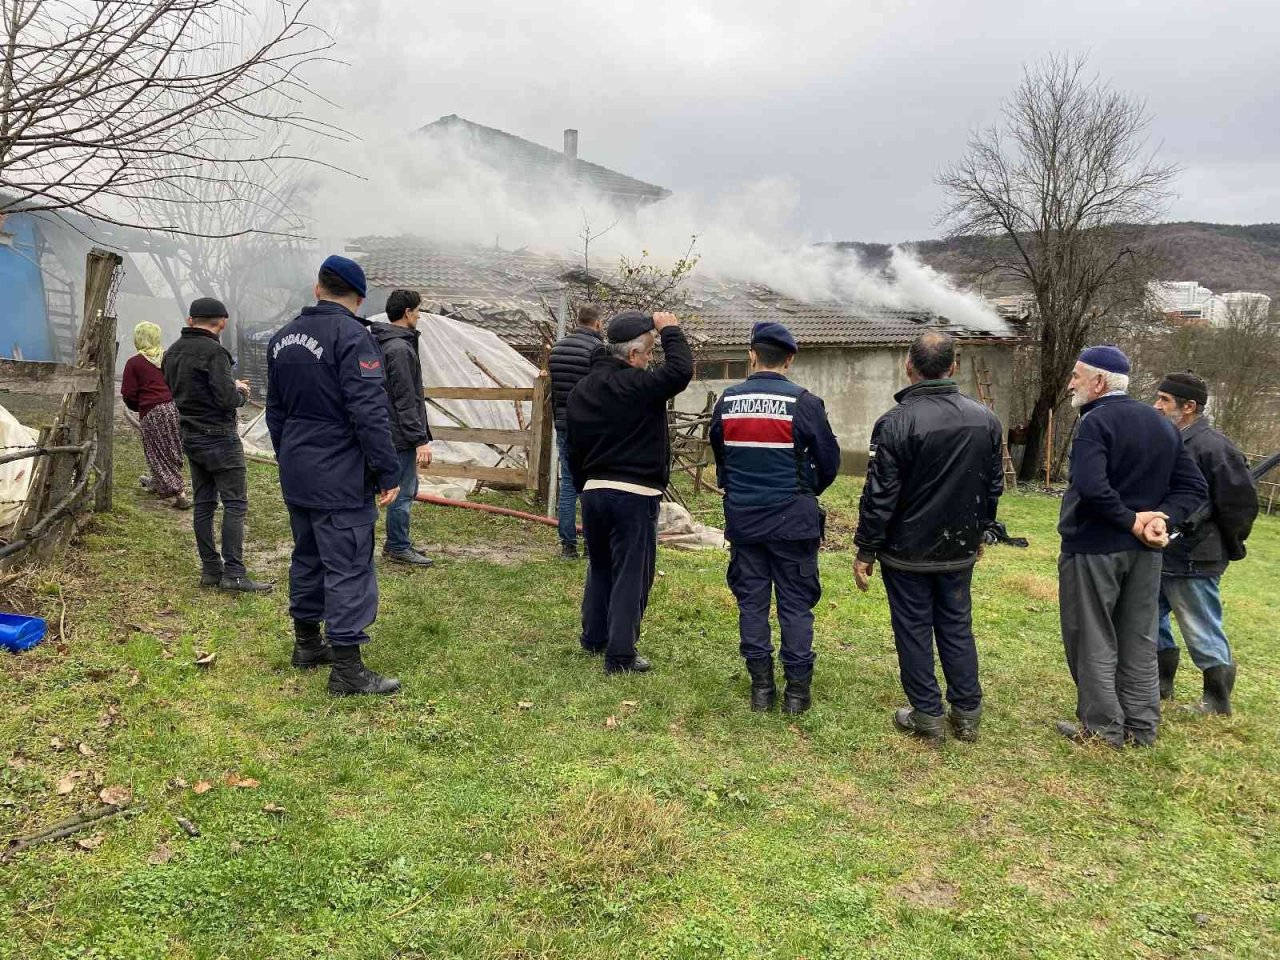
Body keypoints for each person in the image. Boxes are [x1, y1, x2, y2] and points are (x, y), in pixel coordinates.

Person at [852, 331, 1004, 743]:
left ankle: (927, 714)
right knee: (956, 625)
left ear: (909, 365)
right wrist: (980, 531)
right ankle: (967, 713)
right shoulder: (984, 418)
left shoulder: (896, 422)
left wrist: (866, 548)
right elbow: (992, 487)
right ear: (954, 366)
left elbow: (880, 494)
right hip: (957, 548)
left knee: (914, 628)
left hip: (907, 552)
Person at [1055, 346, 1207, 748]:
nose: (1070, 383)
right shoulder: (1160, 424)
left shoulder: (1095, 422)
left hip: (1094, 547)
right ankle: (1141, 726)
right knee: (1138, 638)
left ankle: (1103, 729)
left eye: (1076, 376)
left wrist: (1132, 520)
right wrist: (1160, 518)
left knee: (1092, 636)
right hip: (1145, 553)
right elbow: (1193, 487)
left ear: (1099, 382)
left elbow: (1090, 486)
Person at [266, 256, 404, 696]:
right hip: (340, 475)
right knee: (348, 565)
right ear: (359, 297)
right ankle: (347, 669)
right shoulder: (353, 337)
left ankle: (307, 644)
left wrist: (289, 455)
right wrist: (387, 472)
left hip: (298, 469)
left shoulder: (282, 338)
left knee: (306, 556)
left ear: (317, 288)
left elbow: (275, 412)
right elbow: (369, 412)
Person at [710, 322, 840, 714]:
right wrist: (805, 488)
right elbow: (829, 463)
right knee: (796, 605)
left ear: (752, 354)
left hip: (745, 522)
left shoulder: (728, 402)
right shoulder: (804, 402)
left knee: (751, 603)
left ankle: (761, 690)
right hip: (793, 523)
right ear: (790, 357)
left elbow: (723, 458)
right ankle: (797, 695)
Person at [565, 309, 693, 674]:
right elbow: (681, 371)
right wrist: (671, 330)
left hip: (593, 492)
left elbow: (573, 449)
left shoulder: (581, 391)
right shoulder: (639, 385)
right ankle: (620, 654)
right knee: (631, 573)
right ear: (633, 355)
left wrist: (582, 487)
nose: (652, 360)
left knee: (601, 565)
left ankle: (593, 637)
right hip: (634, 494)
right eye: (650, 352)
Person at [1152, 372, 1257, 715]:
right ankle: (1159, 681)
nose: (1157, 405)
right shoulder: (1168, 441)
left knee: (1200, 625)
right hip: (1163, 550)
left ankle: (1217, 699)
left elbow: (1239, 506)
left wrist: (1227, 544)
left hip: (1196, 556)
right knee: (1149, 618)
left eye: (1165, 400)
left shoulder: (1215, 448)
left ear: (1189, 407)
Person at [162, 298, 271, 592]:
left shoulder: (172, 351)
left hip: (191, 434)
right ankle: (234, 574)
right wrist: (242, 394)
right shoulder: (215, 352)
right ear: (222, 322)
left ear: (190, 320)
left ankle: (211, 570)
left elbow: (182, 388)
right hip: (220, 437)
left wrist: (227, 386)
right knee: (235, 504)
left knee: (204, 504)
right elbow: (226, 399)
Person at [371, 289, 434, 567]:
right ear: (407, 312)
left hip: (390, 430)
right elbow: (406, 398)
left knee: (402, 488)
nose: (420, 315)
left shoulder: (386, 342)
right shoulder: (399, 348)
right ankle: (397, 545)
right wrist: (419, 438)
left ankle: (397, 541)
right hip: (400, 434)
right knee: (404, 490)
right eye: (418, 310)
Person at [549, 303, 604, 558]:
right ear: (598, 323)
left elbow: (555, 393)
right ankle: (593, 544)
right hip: (590, 428)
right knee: (593, 484)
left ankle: (567, 545)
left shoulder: (557, 349)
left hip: (563, 424)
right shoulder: (596, 350)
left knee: (569, 483)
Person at [121, 321, 190, 510]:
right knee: (173, 448)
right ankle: (158, 482)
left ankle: (180, 493)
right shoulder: (168, 358)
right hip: (174, 407)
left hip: (152, 410)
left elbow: (128, 393)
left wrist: (139, 406)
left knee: (157, 451)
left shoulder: (134, 363)